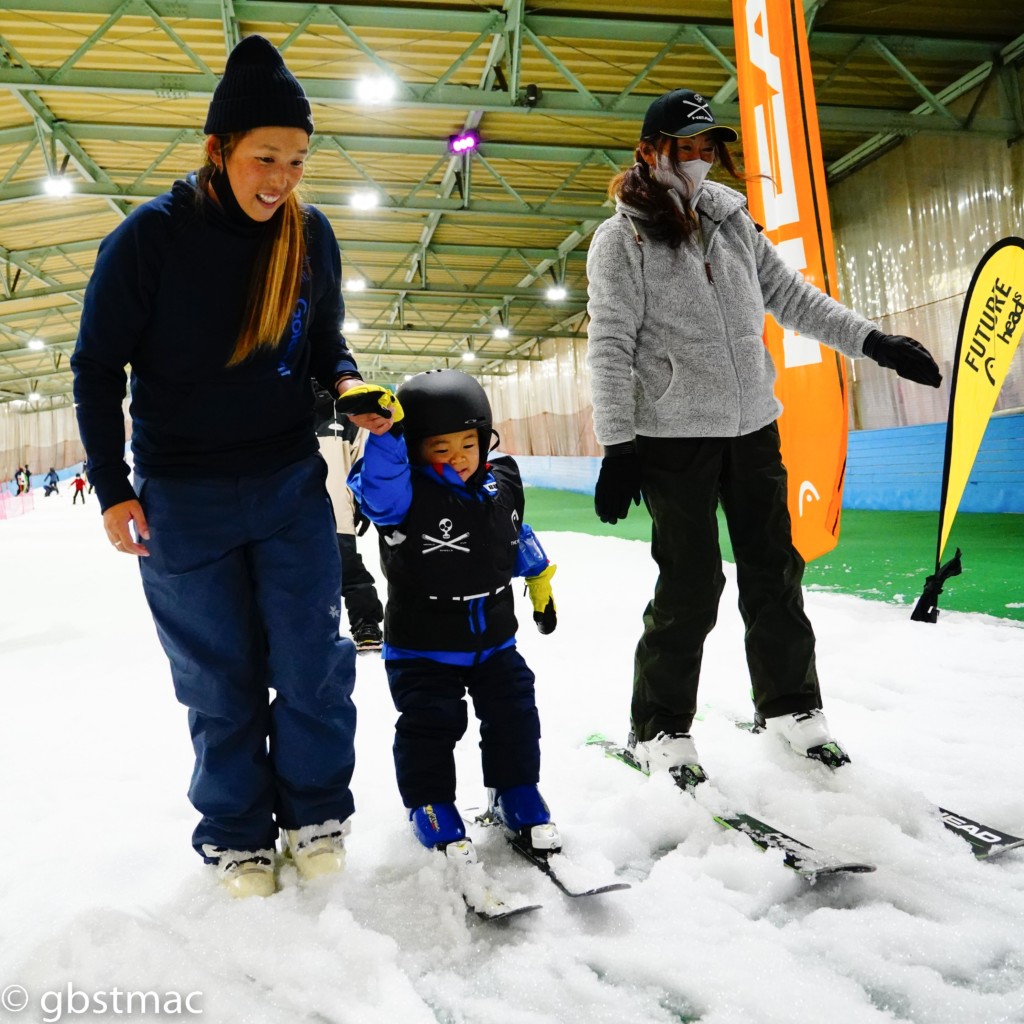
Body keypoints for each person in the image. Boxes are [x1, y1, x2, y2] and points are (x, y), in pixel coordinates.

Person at [71, 35, 377, 898]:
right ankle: (238, 835)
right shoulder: (149, 241)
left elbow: (324, 342)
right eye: (263, 157)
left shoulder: (308, 235)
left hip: (286, 485)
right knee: (219, 677)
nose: (279, 177)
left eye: (295, 159)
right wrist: (113, 487)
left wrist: (349, 387)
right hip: (182, 498)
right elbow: (97, 368)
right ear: (218, 151)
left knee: (314, 662)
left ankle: (315, 814)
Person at [585, 88, 942, 776]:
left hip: (753, 429)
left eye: (706, 147)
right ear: (649, 149)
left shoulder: (732, 221)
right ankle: (660, 727)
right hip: (673, 439)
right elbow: (610, 346)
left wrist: (875, 341)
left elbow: (792, 298)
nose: (697, 160)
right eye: (683, 148)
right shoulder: (620, 239)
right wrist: (618, 445)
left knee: (775, 573)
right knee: (689, 585)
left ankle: (791, 709)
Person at [343, 370, 561, 862]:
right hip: (423, 647)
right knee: (430, 727)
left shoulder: (499, 481)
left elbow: (513, 532)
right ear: (416, 447)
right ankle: (431, 803)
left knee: (515, 716)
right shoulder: (400, 499)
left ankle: (515, 790)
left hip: (495, 643)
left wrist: (540, 580)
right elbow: (379, 485)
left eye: (469, 442)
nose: (459, 456)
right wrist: (384, 435)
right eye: (442, 448)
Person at [314, 386, 385, 653]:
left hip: (337, 509)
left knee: (349, 570)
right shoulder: (284, 404)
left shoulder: (345, 414)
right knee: (295, 575)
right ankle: (304, 629)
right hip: (290, 512)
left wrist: (362, 504)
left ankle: (366, 622)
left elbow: (360, 460)